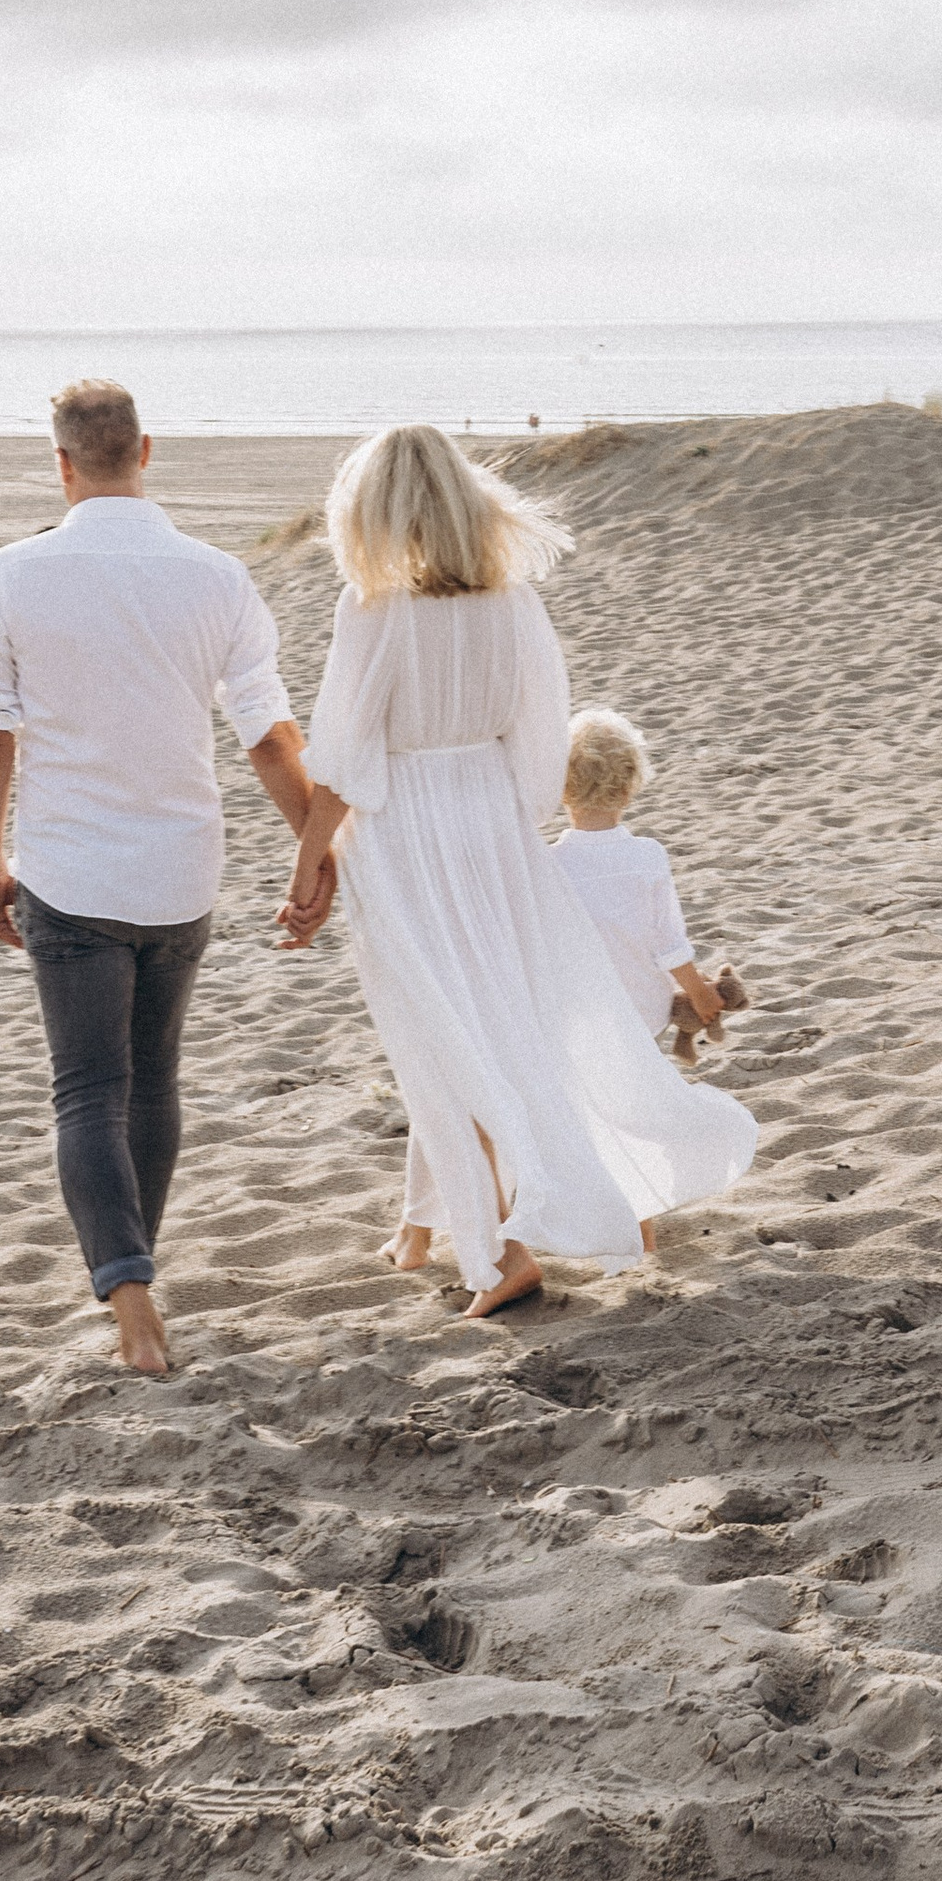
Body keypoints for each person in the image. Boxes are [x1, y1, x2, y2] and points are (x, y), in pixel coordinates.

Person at [276, 426, 757, 1318]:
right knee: (496, 1024)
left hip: (403, 835)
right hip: (493, 827)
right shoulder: (515, 604)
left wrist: (309, 867)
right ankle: (475, 1221)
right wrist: (498, 821)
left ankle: (497, 1254)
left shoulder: (372, 608)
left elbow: (340, 760)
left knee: (437, 1038)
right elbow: (540, 752)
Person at [0, 378, 319, 1379]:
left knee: (88, 1087)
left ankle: (130, 1299)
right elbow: (270, 734)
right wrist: (313, 852)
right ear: (145, 451)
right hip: (180, 868)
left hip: (69, 870)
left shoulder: (15, 573)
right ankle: (134, 1276)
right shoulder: (216, 577)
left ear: (62, 463)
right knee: (151, 1080)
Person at [552, 707, 750, 1070]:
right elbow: (668, 942)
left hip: (576, 1016)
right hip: (646, 1010)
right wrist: (699, 993)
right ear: (630, 787)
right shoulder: (647, 856)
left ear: (562, 789)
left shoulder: (547, 863)